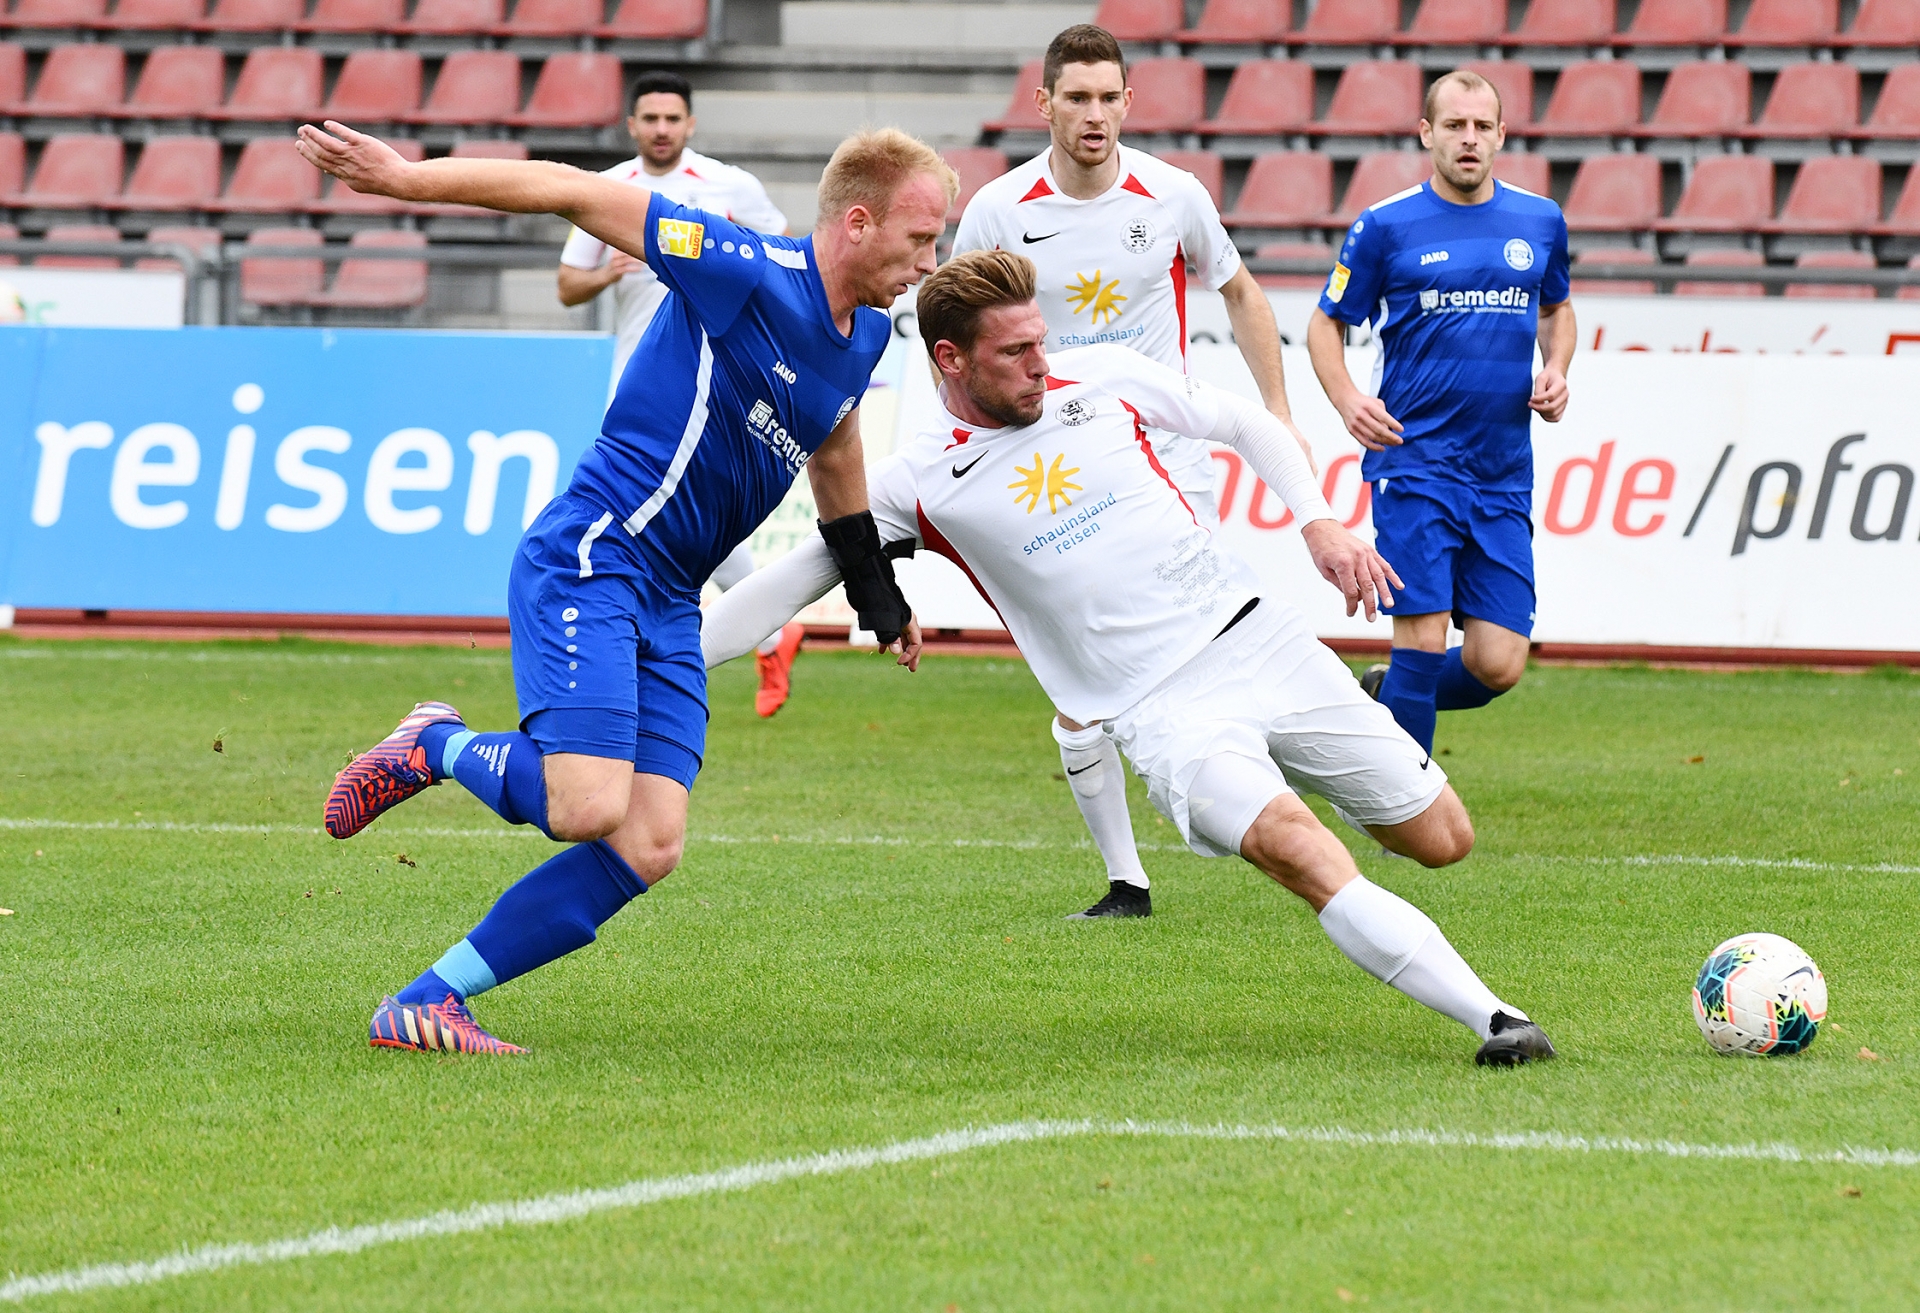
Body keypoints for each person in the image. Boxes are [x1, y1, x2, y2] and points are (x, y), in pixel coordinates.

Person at [703, 250, 1555, 1066]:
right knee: (1299, 849)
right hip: (1163, 713)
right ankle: (1497, 1017)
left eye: (1041, 341)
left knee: (1443, 838)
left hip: (1260, 639)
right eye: (1016, 352)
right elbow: (775, 590)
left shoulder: (1100, 375)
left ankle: (1343, 761)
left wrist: (1319, 523)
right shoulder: (915, 481)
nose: (1042, 364)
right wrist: (662, 661)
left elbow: (1241, 422)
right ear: (951, 359)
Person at [295, 118, 952, 1054]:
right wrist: (406, 180)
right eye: (921, 238)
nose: (931, 261)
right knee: (587, 805)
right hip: (598, 555)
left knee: (648, 841)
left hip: (672, 597)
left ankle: (428, 1002)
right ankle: (437, 744)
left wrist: (877, 598)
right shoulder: (741, 267)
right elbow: (570, 189)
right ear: (858, 222)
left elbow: (837, 450)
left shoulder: (869, 337)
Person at [953, 23, 1315, 920]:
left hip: (1166, 460)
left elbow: (1241, 291)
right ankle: (1128, 880)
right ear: (1044, 104)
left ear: (1128, 102)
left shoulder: (1174, 194)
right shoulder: (998, 210)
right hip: (1054, 472)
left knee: (1205, 637)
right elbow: (952, 336)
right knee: (1080, 679)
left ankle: (1294, 765)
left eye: (1108, 98)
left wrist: (1276, 412)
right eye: (1076, 98)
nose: (1094, 114)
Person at [1306, 69, 1576, 757]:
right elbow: (1326, 323)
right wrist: (1348, 400)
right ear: (1427, 133)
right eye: (1455, 125)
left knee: (1497, 664)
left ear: (1502, 135)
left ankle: (1380, 698)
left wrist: (1557, 368)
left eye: (1482, 126)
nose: (1469, 138)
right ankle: (1407, 801)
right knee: (1422, 643)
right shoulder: (1385, 225)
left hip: (1502, 472)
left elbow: (1557, 309)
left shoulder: (1540, 220)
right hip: (1415, 462)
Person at [557, 70, 804, 718]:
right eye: (651, 118)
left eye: (673, 118)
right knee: (674, 514)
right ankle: (767, 633)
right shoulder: (610, 190)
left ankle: (657, 637)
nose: (662, 129)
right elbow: (566, 285)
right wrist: (607, 272)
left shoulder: (728, 186)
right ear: (632, 126)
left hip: (717, 377)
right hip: (637, 381)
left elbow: (783, 256)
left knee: (681, 513)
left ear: (690, 124)